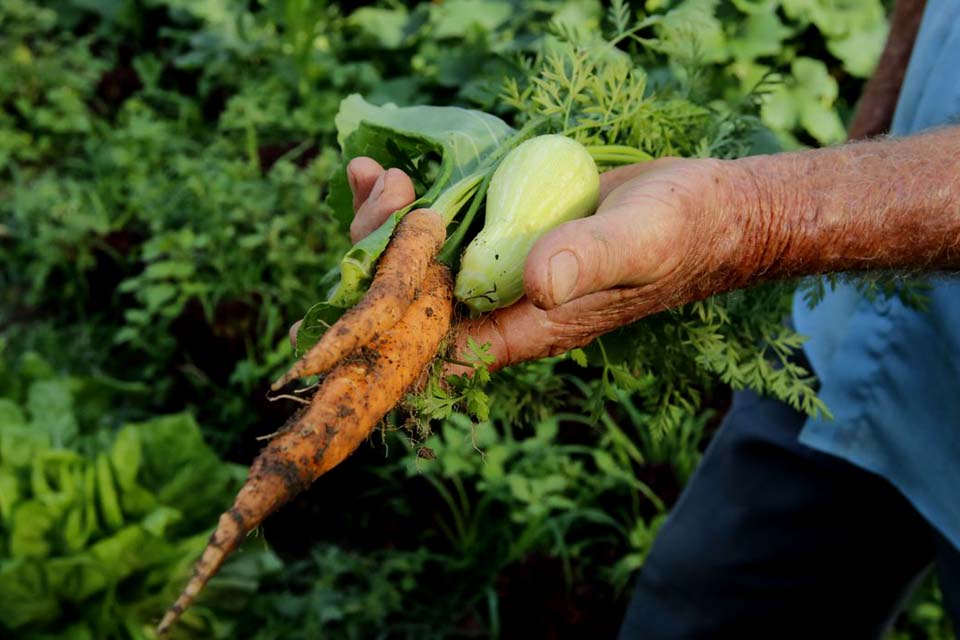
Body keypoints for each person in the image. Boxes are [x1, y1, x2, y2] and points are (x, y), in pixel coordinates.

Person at [299, 0, 960, 635]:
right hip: (836, 348)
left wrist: (755, 217)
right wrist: (868, 138)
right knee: (701, 602)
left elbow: (747, 214)